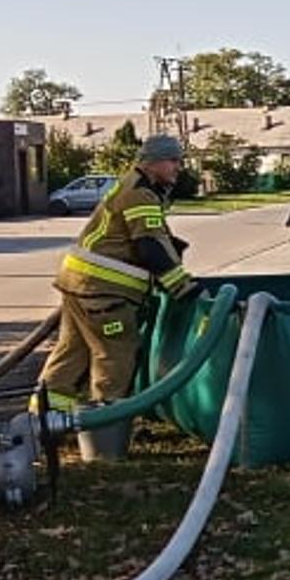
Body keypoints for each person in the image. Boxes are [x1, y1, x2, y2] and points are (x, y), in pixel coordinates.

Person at [37, 135, 196, 411]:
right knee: (115, 352)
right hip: (103, 292)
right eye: (172, 160)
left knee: (71, 354)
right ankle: (107, 427)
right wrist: (180, 285)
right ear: (152, 162)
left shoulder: (131, 185)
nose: (178, 166)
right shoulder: (140, 193)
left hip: (80, 283)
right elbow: (148, 246)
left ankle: (43, 421)